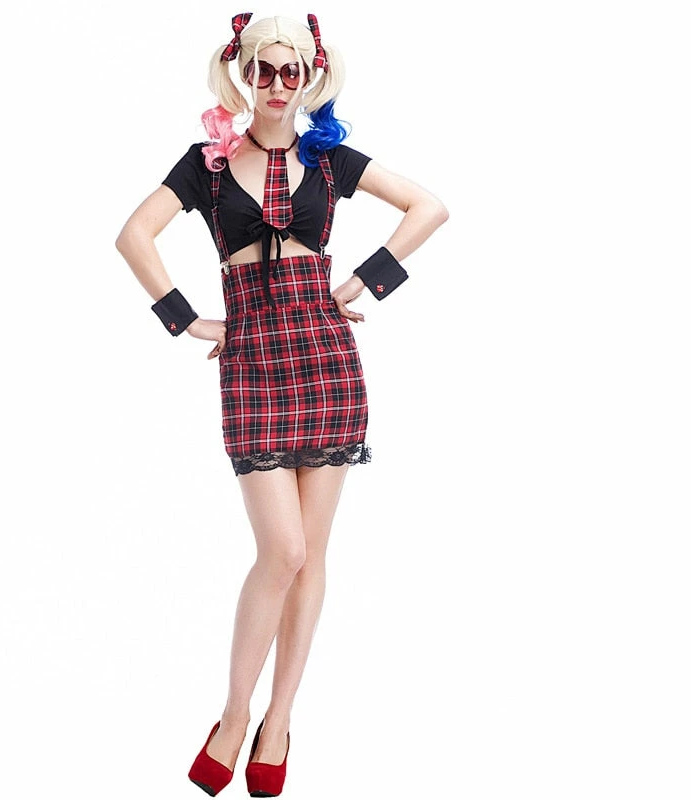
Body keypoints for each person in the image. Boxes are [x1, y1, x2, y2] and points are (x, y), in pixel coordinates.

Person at [115, 12, 448, 796]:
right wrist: (186, 319)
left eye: (289, 71)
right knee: (283, 551)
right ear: (243, 73)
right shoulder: (206, 163)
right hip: (252, 361)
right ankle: (234, 715)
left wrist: (360, 283)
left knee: (311, 557)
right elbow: (134, 235)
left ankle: (278, 720)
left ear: (308, 77)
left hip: (327, 358)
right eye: (261, 70)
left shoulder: (329, 160)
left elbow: (428, 207)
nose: (274, 85)